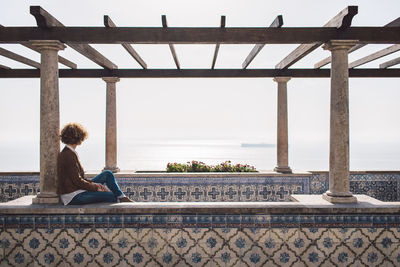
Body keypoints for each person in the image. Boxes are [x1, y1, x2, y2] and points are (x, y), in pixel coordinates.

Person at [57, 122, 132, 205]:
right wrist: (96, 187)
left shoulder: (70, 152)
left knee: (107, 174)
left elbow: (78, 178)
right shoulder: (68, 155)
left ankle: (122, 197)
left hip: (78, 190)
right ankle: (120, 198)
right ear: (78, 137)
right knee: (112, 196)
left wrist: (94, 184)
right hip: (73, 196)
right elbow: (77, 181)